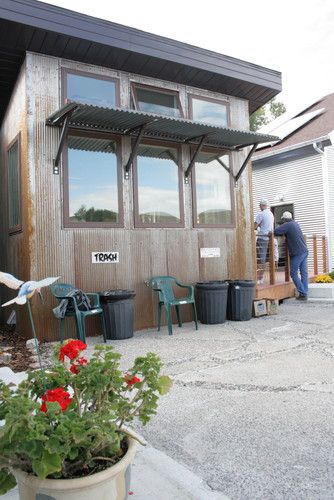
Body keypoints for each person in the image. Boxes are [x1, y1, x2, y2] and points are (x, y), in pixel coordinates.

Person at [274, 211, 308, 300]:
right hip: (304, 250)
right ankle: (304, 292)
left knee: (293, 273)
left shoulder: (287, 225)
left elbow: (276, 231)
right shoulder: (296, 224)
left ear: (284, 219)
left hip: (297, 253)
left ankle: (303, 293)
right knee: (304, 273)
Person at [254, 198, 274, 283]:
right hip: (269, 238)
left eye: (259, 205)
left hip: (262, 238)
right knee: (265, 259)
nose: (259, 207)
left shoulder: (261, 214)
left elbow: (254, 226)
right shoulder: (271, 214)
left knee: (259, 258)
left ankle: (259, 278)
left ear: (262, 205)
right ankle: (261, 277)